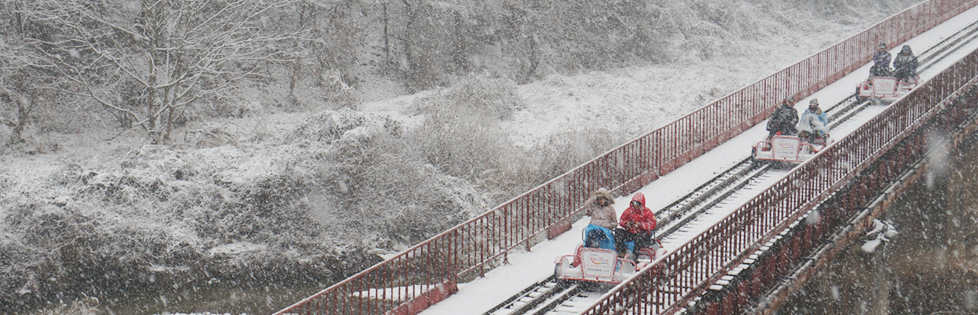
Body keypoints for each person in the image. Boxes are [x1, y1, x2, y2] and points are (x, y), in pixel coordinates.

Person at [615, 192, 657, 260]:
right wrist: (627, 223)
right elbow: (622, 220)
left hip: (642, 234)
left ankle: (635, 255)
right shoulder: (628, 211)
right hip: (630, 233)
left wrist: (641, 225)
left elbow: (652, 225)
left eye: (637, 203)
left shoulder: (647, 212)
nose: (635, 205)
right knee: (618, 232)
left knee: (639, 238)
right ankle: (621, 252)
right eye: (634, 203)